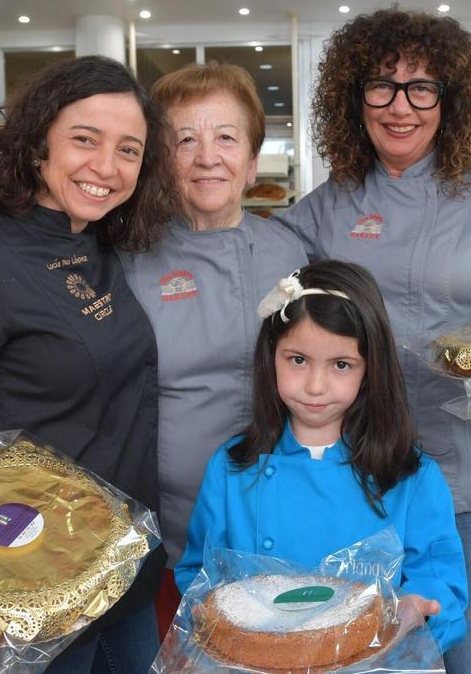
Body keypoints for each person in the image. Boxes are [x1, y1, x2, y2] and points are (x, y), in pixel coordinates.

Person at [0, 55, 179, 674]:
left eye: (129, 149)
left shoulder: (101, 241)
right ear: (37, 144)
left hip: (125, 569)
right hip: (40, 589)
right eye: (84, 140)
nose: (106, 166)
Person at [277, 10, 471, 673]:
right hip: (362, 474)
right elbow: (256, 268)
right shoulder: (330, 202)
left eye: (422, 87)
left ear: (450, 100)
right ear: (355, 97)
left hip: (466, 475)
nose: (401, 107)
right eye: (383, 87)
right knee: (365, 651)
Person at [175, 260, 468, 653]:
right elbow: (199, 578)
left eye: (341, 365)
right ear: (270, 356)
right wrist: (212, 616)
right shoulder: (232, 469)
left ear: (370, 370)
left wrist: (418, 610)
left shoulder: (410, 477)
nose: (315, 386)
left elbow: (439, 584)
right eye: (297, 360)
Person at [118, 62, 308, 630]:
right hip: (171, 536)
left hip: (287, 523)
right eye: (185, 140)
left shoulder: (291, 251)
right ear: (160, 162)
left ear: (251, 163)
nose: (207, 157)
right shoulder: (128, 262)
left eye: (226, 138)